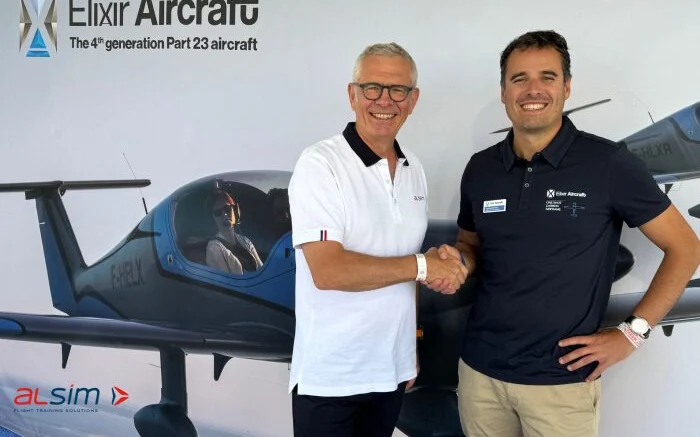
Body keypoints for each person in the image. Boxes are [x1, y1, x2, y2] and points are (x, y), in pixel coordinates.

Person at [433, 30, 700, 437]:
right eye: (519, 78)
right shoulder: (481, 168)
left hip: (561, 385)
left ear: (567, 87)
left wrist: (631, 334)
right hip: (480, 377)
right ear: (504, 91)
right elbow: (471, 244)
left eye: (548, 77)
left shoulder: (608, 163)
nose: (533, 90)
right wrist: (458, 261)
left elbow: (685, 248)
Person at [287, 42, 467, 437]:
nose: (384, 100)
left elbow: (405, 264)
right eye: (372, 87)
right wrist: (424, 266)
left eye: (398, 90)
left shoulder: (414, 169)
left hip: (391, 371)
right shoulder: (320, 164)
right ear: (352, 95)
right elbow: (329, 271)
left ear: (413, 100)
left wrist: (410, 345)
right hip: (332, 378)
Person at [205, 189, 263, 274]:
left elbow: (262, 271)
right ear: (212, 220)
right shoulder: (214, 248)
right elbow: (227, 281)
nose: (225, 215)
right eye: (218, 212)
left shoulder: (245, 241)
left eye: (227, 209)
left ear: (235, 211)